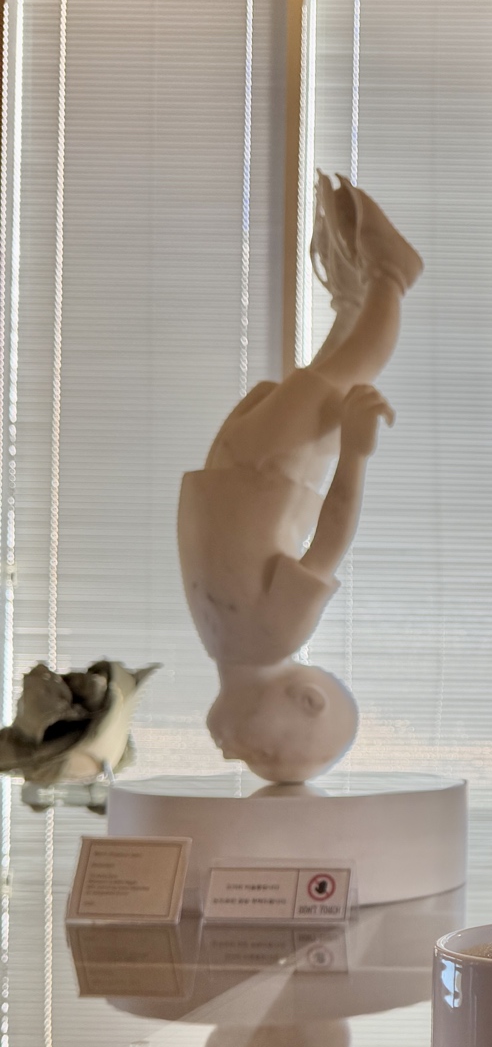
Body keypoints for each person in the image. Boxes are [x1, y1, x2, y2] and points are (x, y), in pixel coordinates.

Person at [178, 173, 422, 783]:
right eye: (267, 754)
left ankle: (353, 298)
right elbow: (331, 539)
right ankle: (392, 277)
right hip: (269, 472)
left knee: (327, 372)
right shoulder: (275, 634)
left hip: (235, 471)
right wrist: (355, 453)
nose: (237, 755)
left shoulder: (227, 645)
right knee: (353, 366)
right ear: (307, 701)